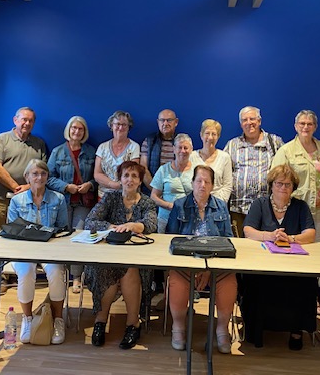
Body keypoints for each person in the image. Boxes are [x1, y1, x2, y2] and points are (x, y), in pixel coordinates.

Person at [241, 165, 317, 349]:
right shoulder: (260, 204)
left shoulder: (300, 206)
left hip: (293, 264)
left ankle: (296, 331)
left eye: (287, 184)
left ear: (293, 187)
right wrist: (269, 236)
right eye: (279, 183)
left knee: (306, 281)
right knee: (255, 280)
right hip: (263, 263)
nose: (283, 187)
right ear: (271, 185)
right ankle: (255, 329)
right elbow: (248, 230)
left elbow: (310, 233)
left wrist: (290, 238)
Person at [84, 161, 157, 349]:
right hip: (108, 255)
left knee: (129, 269)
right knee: (107, 268)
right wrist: (112, 227)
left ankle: (133, 324)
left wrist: (133, 226)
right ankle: (100, 322)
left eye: (134, 176)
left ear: (140, 181)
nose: (130, 180)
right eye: (126, 175)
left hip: (137, 258)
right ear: (120, 179)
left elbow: (151, 224)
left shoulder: (147, 202)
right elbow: (90, 221)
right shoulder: (110, 198)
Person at [165, 165, 237, 354]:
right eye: (199, 181)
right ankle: (178, 327)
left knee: (229, 280)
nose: (202, 185)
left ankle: (222, 328)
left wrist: (208, 269)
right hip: (185, 265)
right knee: (177, 278)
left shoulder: (221, 206)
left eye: (207, 182)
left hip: (216, 265)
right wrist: (193, 267)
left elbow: (228, 241)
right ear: (192, 183)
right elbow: (171, 240)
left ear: (212, 185)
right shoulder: (179, 205)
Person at [8, 159, 69, 345]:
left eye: (43, 174)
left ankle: (58, 320)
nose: (39, 177)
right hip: (24, 250)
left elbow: (63, 229)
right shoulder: (16, 201)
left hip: (50, 250)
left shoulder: (58, 199)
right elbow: (12, 230)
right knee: (26, 272)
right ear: (27, 177)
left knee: (56, 272)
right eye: (35, 174)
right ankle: (27, 319)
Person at [47, 115, 96, 294]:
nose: (76, 131)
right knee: (61, 238)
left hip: (83, 203)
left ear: (84, 132)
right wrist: (66, 187)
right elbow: (48, 177)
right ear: (68, 129)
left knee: (80, 238)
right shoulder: (57, 152)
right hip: (63, 202)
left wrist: (89, 184)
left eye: (80, 129)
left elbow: (98, 176)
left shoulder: (91, 152)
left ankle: (76, 277)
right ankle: (60, 276)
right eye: (74, 128)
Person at [271, 110, 320, 240]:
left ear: (315, 127)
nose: (305, 127)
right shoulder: (286, 150)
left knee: (319, 247)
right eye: (302, 123)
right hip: (296, 210)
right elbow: (275, 180)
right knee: (295, 246)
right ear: (295, 126)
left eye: (310, 124)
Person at [223, 106, 283, 237]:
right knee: (240, 245)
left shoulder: (275, 142)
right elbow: (224, 173)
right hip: (238, 210)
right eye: (245, 120)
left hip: (267, 209)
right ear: (241, 124)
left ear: (259, 121)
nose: (249, 122)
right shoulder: (232, 145)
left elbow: (284, 172)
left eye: (252, 119)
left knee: (265, 244)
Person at [0, 107, 47, 233]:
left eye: (31, 121)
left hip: (29, 200)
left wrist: (27, 187)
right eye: (24, 119)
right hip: (3, 199)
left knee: (25, 235)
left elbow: (44, 172)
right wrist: (16, 188)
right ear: (15, 120)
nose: (27, 123)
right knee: (1, 235)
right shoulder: (2, 139)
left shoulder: (39, 144)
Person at [150, 133, 194, 233]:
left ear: (191, 149)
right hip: (166, 219)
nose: (182, 151)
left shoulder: (197, 170)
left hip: (189, 220)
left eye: (186, 148)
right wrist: (170, 206)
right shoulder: (163, 170)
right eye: (179, 147)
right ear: (174, 149)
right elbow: (154, 196)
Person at [94, 110, 140, 199]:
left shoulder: (134, 147)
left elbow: (133, 173)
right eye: (117, 124)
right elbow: (97, 174)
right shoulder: (102, 147)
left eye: (124, 124)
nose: (120, 127)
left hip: (126, 196)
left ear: (129, 127)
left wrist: (120, 186)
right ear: (112, 126)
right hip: (104, 197)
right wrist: (112, 184)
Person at [188, 119, 232, 203]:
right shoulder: (191, 156)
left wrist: (217, 204)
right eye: (207, 133)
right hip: (194, 204)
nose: (210, 137)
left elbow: (227, 186)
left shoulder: (225, 157)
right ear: (201, 135)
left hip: (217, 205)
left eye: (214, 134)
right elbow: (188, 182)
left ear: (218, 137)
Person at [140, 109, 179, 191]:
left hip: (175, 191)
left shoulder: (182, 142)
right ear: (158, 122)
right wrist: (155, 191)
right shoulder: (149, 141)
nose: (165, 123)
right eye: (162, 120)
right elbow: (143, 169)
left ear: (176, 122)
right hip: (150, 191)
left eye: (169, 120)